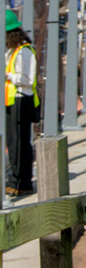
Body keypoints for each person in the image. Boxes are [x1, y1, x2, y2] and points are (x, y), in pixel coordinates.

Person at [4, 10, 38, 198]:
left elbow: (27, 78)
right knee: (14, 142)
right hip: (12, 101)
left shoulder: (23, 52)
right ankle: (17, 179)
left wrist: (7, 75)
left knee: (19, 144)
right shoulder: (12, 51)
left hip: (21, 101)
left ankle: (21, 182)